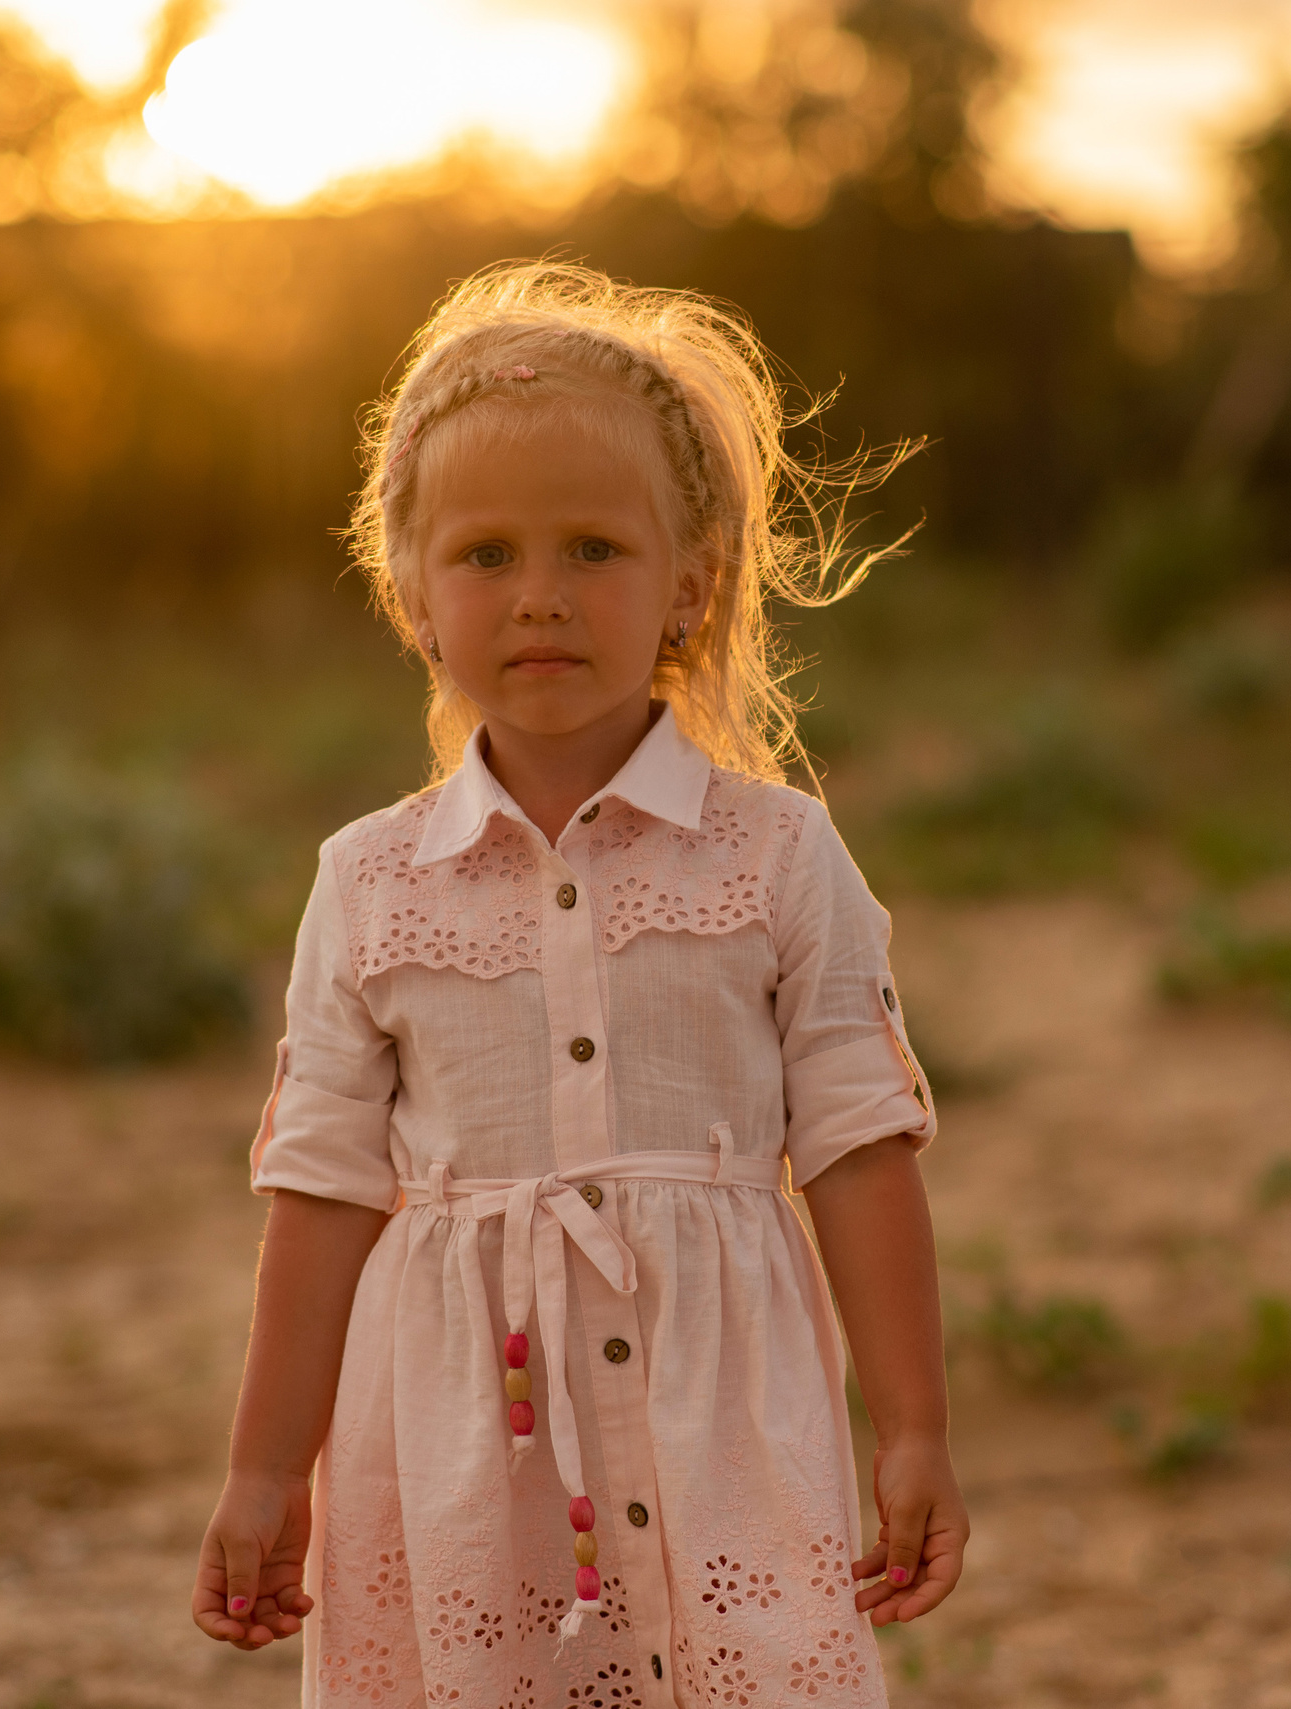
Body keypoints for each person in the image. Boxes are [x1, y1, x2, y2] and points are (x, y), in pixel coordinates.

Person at [191, 260, 967, 1708]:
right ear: (412, 594)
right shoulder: (369, 884)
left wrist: (913, 1424)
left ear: (692, 579)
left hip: (720, 1425)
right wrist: (261, 1468)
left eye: (594, 549)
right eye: (485, 554)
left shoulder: (780, 854)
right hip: (459, 1457)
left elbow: (862, 1145)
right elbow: (320, 1195)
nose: (539, 595)